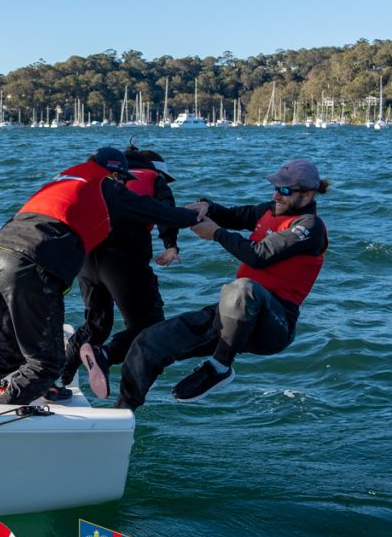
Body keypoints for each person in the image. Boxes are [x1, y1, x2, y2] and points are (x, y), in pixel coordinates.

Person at [0, 147, 203, 405]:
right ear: (114, 173)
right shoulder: (106, 185)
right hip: (33, 263)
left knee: (3, 352)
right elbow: (157, 211)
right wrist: (198, 214)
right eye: (120, 177)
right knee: (46, 363)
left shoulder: (65, 178)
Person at [114, 158, 330, 410]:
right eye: (275, 188)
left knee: (242, 288)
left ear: (308, 195)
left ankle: (219, 367)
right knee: (148, 341)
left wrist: (216, 233)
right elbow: (231, 215)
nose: (276, 195)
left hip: (274, 324)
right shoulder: (266, 210)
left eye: (284, 190)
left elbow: (257, 256)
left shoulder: (309, 227)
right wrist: (208, 206)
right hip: (234, 315)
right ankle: (122, 413)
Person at [60, 147, 183, 400]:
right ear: (158, 170)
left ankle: (58, 378)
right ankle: (105, 355)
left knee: (97, 325)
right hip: (123, 259)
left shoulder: (105, 176)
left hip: (85, 256)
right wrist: (171, 245)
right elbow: (165, 210)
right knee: (148, 324)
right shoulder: (152, 177)